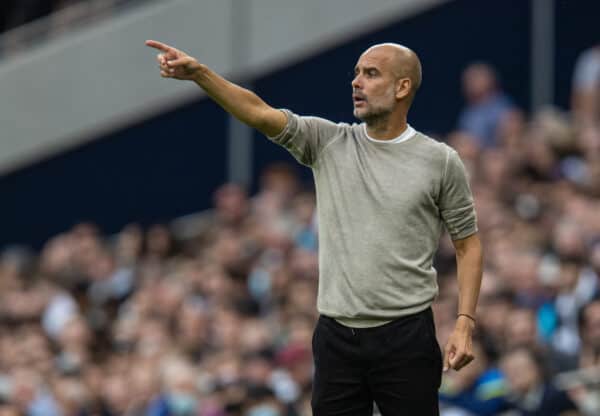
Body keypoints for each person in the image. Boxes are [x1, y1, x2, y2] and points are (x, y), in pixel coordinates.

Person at [145, 39, 483, 416]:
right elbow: (259, 113)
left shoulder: (439, 161)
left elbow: (468, 244)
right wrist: (199, 74)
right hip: (337, 337)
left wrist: (464, 323)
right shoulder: (328, 141)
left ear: (403, 87)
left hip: (407, 336)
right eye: (356, 73)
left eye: (371, 74)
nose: (356, 82)